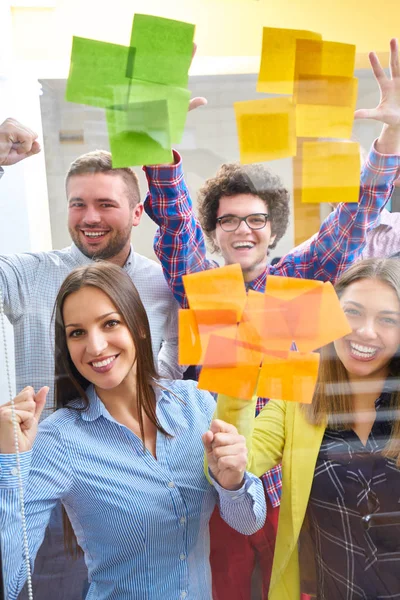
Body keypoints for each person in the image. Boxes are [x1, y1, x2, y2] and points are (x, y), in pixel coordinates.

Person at [143, 39, 400, 598]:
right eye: (229, 220)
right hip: (214, 485)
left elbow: (357, 217)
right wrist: (159, 141)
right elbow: (174, 223)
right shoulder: (199, 286)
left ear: (274, 227)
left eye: (256, 219)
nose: (243, 230)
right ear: (215, 229)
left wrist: (391, 137)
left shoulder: (301, 277)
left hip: (293, 488)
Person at [0, 117, 189, 599]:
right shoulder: (29, 274)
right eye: (78, 204)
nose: (90, 217)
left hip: (131, 491)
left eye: (106, 204)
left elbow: (166, 378)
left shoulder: (164, 285)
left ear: (137, 212)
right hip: (48, 490)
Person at [0, 261, 266, 600]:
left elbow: (248, 522)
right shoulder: (58, 440)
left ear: (139, 327)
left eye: (110, 323)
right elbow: (8, 584)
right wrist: (10, 464)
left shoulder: (194, 403)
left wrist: (234, 482)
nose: (95, 347)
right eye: (77, 332)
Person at [211, 257, 400, 600]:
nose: (365, 331)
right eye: (353, 312)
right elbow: (242, 458)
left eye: (387, 320)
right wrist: (239, 357)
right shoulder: (300, 396)